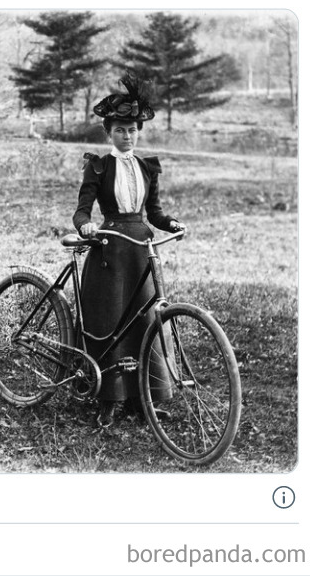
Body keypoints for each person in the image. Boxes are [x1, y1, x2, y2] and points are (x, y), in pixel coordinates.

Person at [72, 76, 183, 427]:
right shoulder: (99, 166)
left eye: (132, 129)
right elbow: (82, 210)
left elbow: (155, 213)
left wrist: (172, 224)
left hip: (141, 249)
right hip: (109, 249)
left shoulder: (147, 167)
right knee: (111, 321)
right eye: (120, 130)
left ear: (138, 131)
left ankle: (145, 398)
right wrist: (86, 226)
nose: (127, 136)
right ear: (109, 133)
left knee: (145, 319)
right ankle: (108, 397)